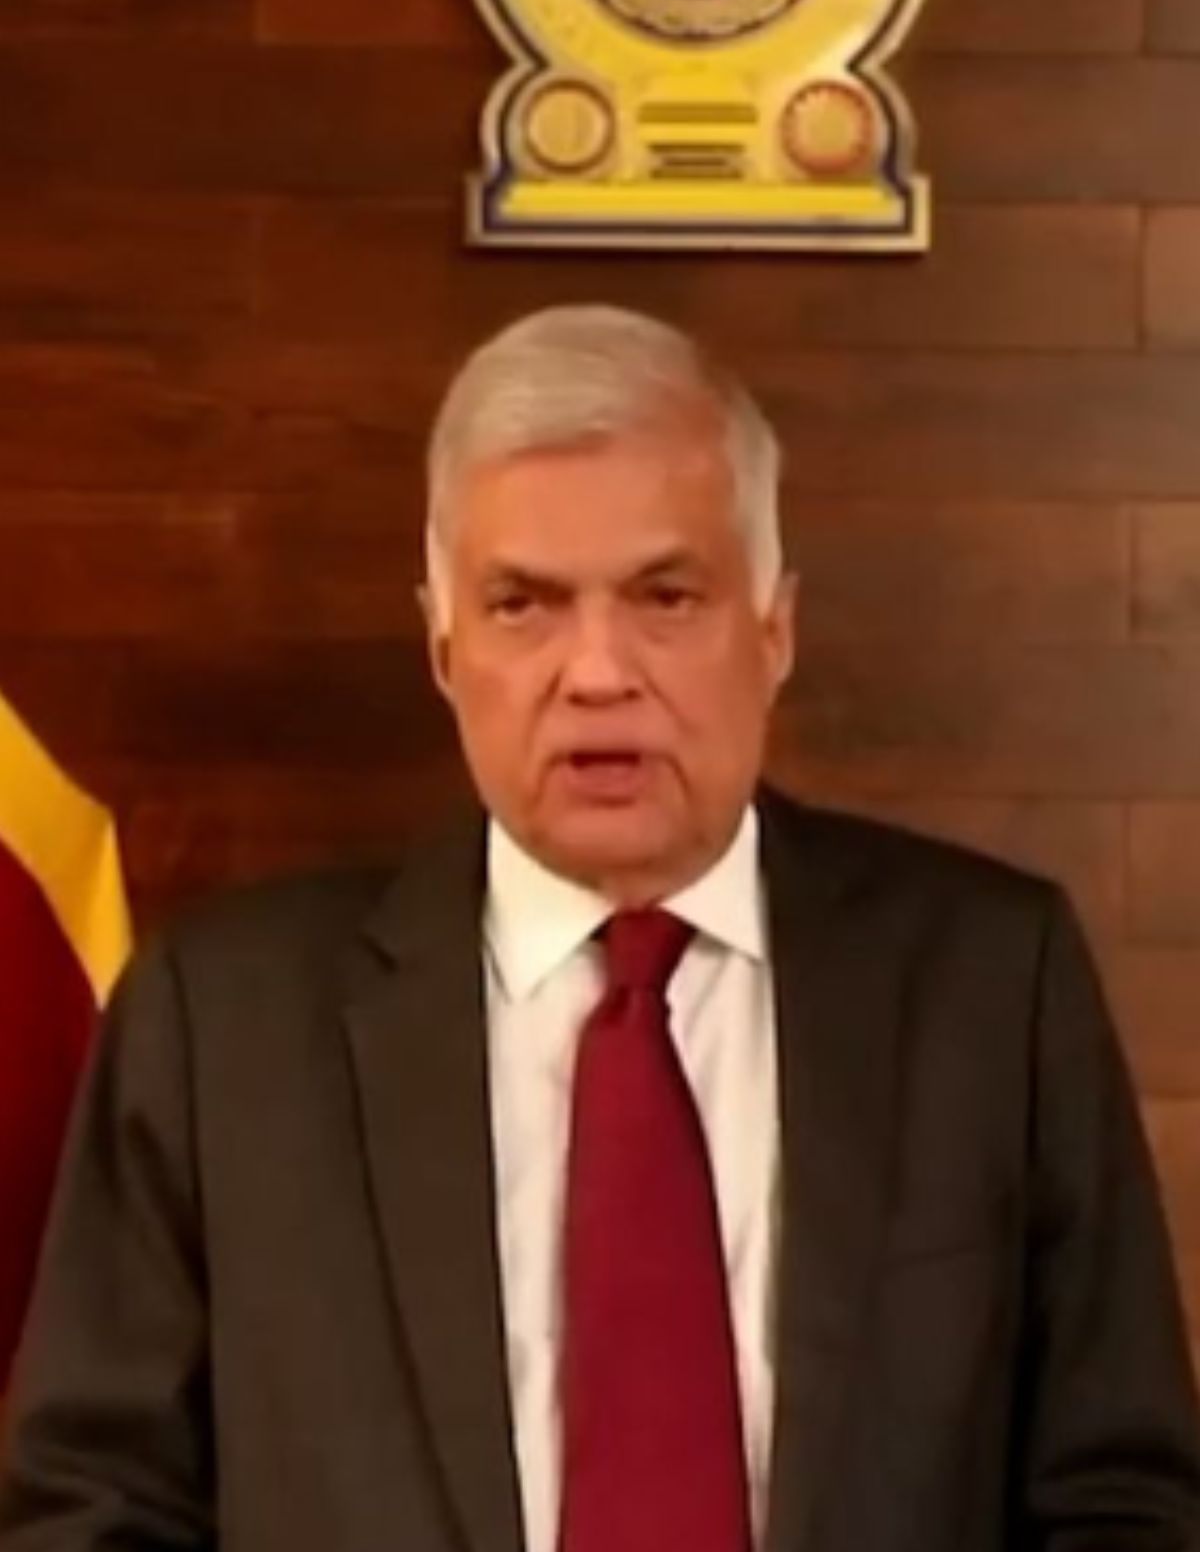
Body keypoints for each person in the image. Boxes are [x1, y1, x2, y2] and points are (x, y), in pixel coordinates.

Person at [1, 305, 1198, 1552]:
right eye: (523, 604)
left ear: (774, 629)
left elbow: (1117, 1498)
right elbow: (95, 1510)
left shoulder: (991, 985)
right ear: (442, 644)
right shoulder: (221, 1028)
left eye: (665, 596)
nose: (597, 673)